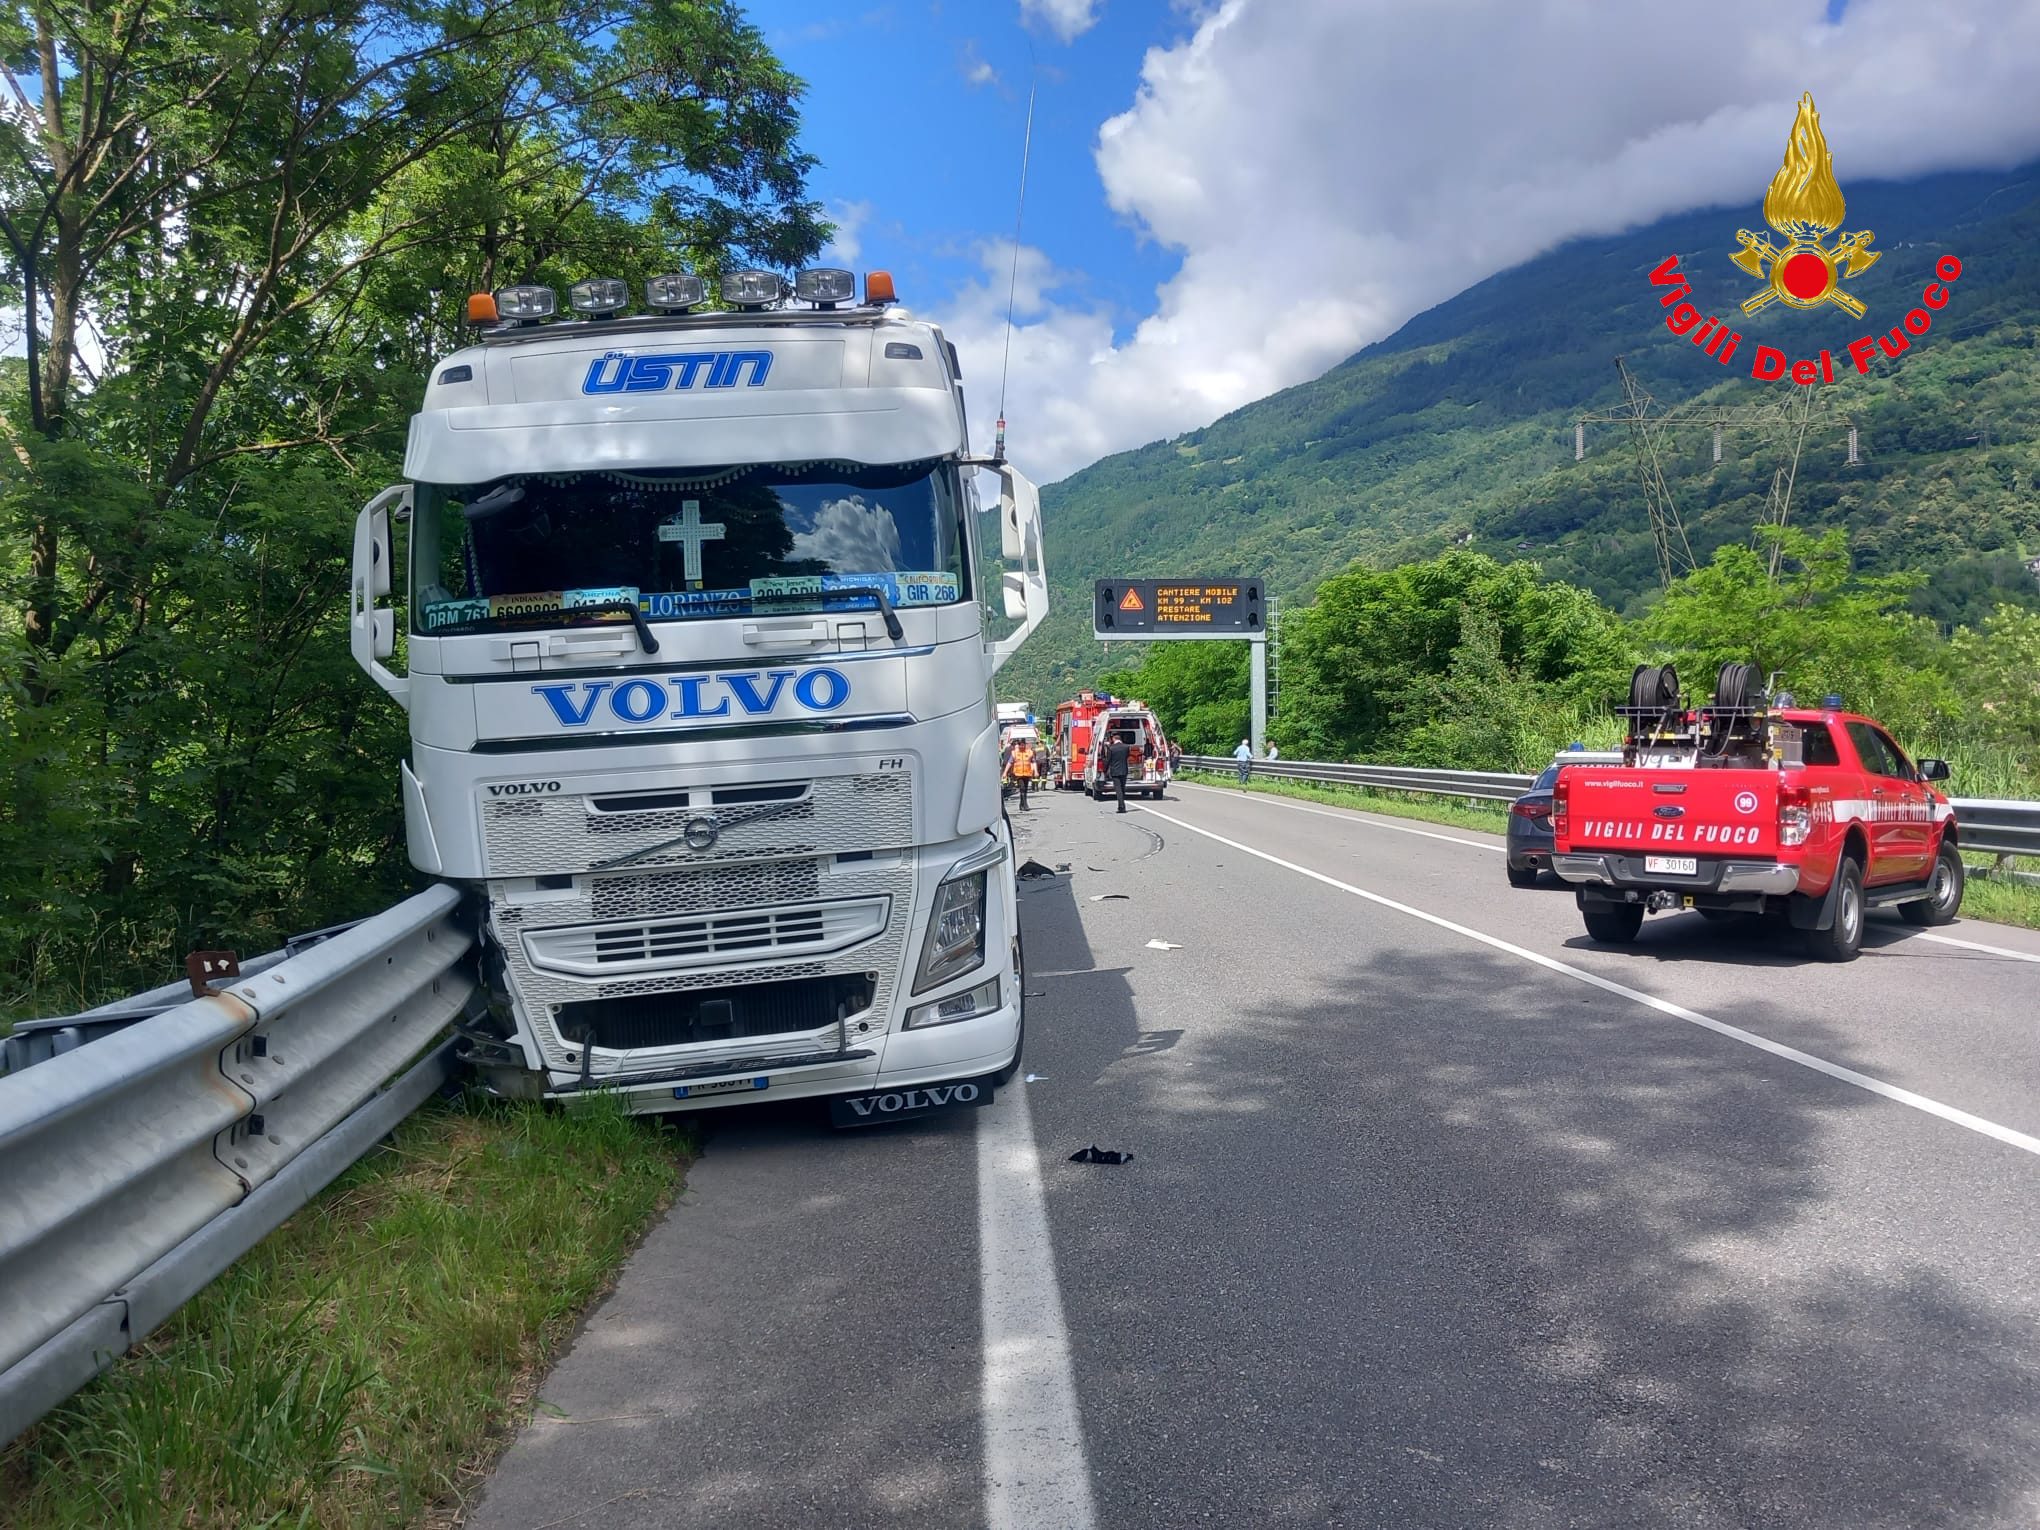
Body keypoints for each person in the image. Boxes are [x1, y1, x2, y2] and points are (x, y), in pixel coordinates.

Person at [1103, 730, 1133, 813]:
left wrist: (1105, 770)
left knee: (1118, 789)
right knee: (1122, 788)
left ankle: (1121, 807)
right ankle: (1122, 804)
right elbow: (1126, 757)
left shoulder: (1111, 748)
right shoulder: (1126, 747)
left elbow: (1108, 760)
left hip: (1115, 771)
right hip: (1124, 770)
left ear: (1113, 739)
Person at [1009, 737, 1037, 811]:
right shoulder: (1015, 752)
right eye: (1021, 745)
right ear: (1018, 745)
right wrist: (1005, 772)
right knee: (1022, 788)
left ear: (1025, 744)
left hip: (1027, 773)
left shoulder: (1029, 752)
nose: (1022, 746)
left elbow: (1033, 761)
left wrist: (1036, 771)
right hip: (1018, 774)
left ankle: (1021, 804)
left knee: (1025, 789)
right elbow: (1009, 762)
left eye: (1023, 744)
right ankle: (1025, 804)